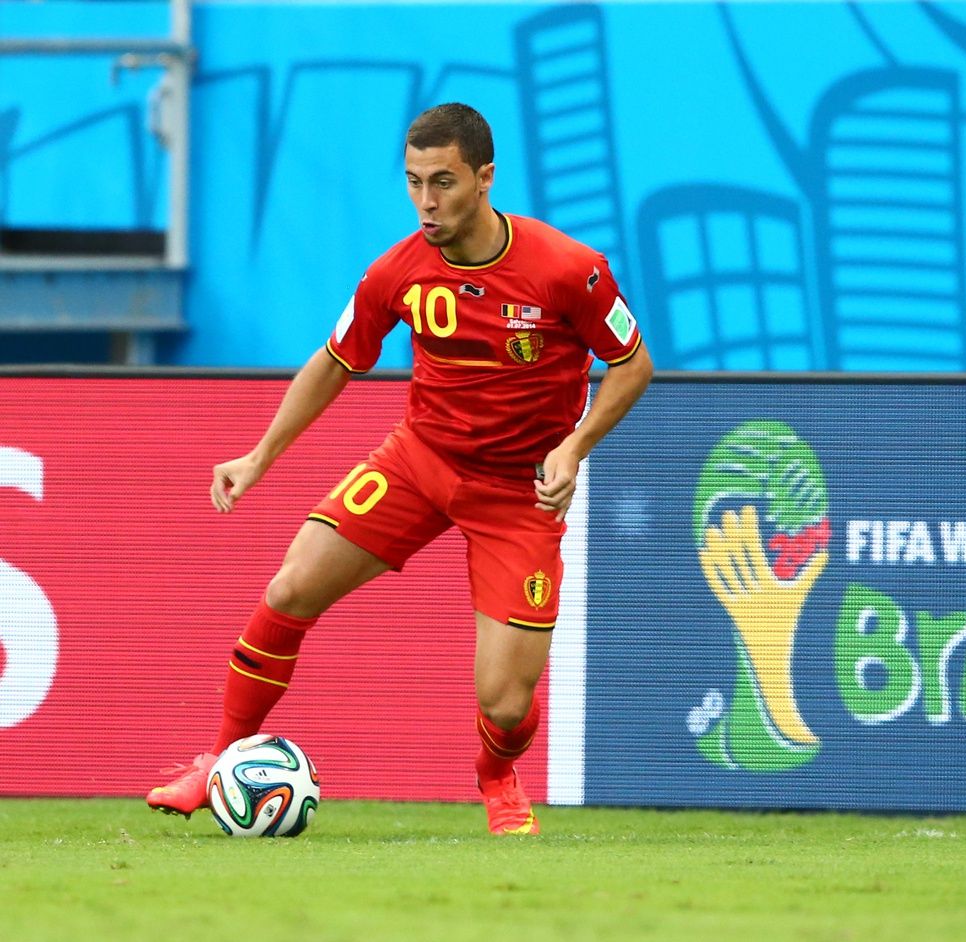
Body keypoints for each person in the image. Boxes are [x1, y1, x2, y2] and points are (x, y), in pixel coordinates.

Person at [147, 103, 652, 835]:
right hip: (420, 461)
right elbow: (334, 361)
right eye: (414, 182)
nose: (426, 201)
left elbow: (633, 365)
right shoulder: (398, 270)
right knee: (290, 587)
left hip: (517, 495)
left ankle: (496, 774)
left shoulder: (567, 270)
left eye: (443, 182)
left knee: (506, 704)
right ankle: (216, 761)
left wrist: (572, 447)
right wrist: (260, 456)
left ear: (485, 178)